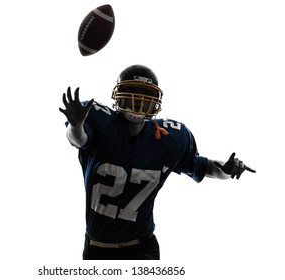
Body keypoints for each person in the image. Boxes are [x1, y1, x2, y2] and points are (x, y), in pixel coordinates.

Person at [59, 64, 256, 260]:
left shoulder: (170, 138)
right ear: (118, 96)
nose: (138, 100)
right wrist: (76, 125)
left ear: (156, 101)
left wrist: (228, 171)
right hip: (97, 248)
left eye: (145, 93)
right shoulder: (99, 120)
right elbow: (78, 140)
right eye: (132, 91)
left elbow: (205, 168)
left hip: (142, 248)